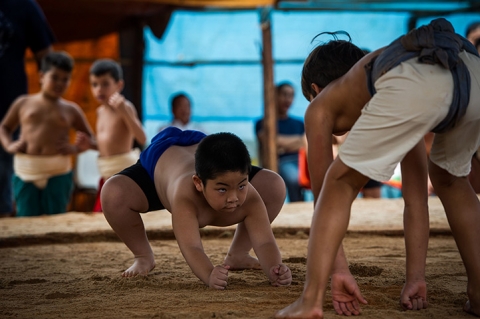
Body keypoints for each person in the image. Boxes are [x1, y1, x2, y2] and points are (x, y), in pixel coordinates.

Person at [276, 18, 480, 318]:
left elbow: (324, 196)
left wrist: (339, 272)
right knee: (449, 180)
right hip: (472, 71)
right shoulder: (385, 85)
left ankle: (310, 301)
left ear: (316, 90)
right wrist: (416, 278)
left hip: (422, 75)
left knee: (339, 183)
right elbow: (416, 200)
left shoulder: (322, 105)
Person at [100, 127, 292, 289]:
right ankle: (143, 256)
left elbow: (265, 241)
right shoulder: (184, 197)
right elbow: (192, 247)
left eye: (242, 185)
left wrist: (275, 268)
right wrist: (209, 274)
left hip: (204, 145)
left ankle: (239, 254)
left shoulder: (248, 193)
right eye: (222, 189)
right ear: (198, 183)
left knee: (274, 184)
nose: (233, 198)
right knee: (112, 193)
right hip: (161, 157)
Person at [0, 51, 96, 217]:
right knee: (27, 221)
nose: (60, 83)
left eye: (65, 79)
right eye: (55, 77)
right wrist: (9, 145)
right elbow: (4, 127)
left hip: (58, 170)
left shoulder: (71, 110)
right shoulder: (23, 103)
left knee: (57, 219)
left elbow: (91, 139)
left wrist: (76, 149)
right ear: (41, 76)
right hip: (26, 170)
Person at [0, 0, 55, 217]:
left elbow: (46, 58)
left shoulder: (23, 6)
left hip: (8, 109)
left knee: (3, 177)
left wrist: (49, 103)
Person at [82, 58, 147, 212]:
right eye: (95, 84)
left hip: (123, 174)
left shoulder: (126, 107)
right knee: (101, 218)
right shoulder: (99, 112)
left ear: (119, 85)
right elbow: (107, 146)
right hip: (106, 174)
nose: (99, 89)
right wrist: (90, 145)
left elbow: (142, 138)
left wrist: (125, 112)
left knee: (119, 216)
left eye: (105, 84)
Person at [255, 82, 306, 202]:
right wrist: (298, 141)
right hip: (282, 162)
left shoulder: (299, 123)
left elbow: (306, 141)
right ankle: (296, 204)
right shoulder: (263, 123)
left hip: (303, 160)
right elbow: (270, 141)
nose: (288, 99)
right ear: (275, 96)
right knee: (294, 177)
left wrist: (283, 145)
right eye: (284, 94)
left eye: (291, 95)